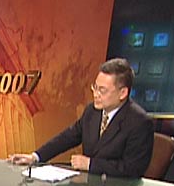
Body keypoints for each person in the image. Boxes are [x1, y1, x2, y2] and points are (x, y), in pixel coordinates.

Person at [10, 58, 154, 178]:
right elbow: (68, 137)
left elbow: (132, 169)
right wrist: (35, 157)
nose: (96, 94)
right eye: (95, 87)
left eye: (102, 90)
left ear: (122, 93)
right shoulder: (92, 111)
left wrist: (91, 164)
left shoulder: (139, 122)